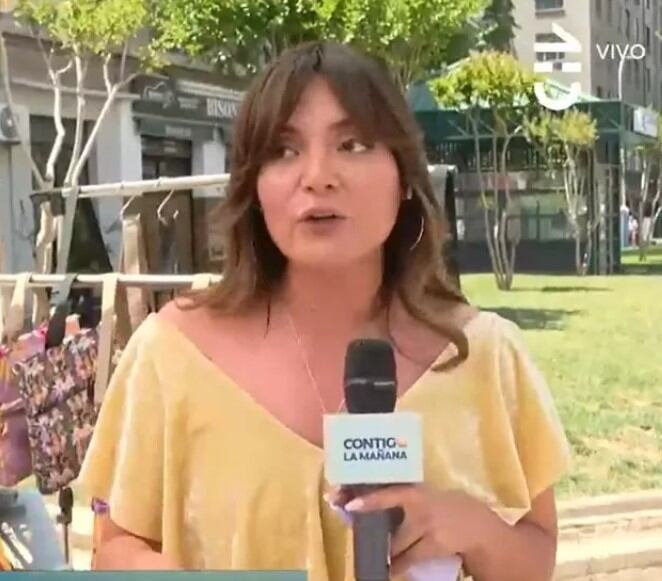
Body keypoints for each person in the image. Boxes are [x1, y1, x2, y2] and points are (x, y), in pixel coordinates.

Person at [78, 41, 572, 581]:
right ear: (253, 187)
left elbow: (535, 558)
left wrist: (471, 526)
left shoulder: (484, 356)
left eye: (352, 144)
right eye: (284, 150)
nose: (317, 176)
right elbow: (113, 548)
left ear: (405, 176)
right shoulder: (170, 355)